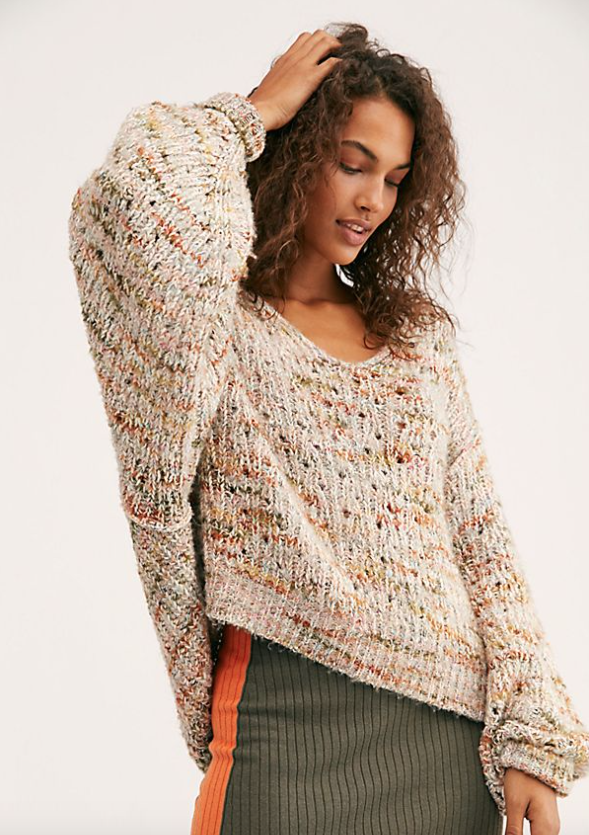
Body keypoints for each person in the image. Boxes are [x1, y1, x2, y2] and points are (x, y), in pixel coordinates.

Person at [68, 22, 589, 835]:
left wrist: (529, 730)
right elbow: (126, 202)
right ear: (297, 152)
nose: (372, 199)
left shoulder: (415, 339)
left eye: (393, 179)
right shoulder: (209, 323)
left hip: (446, 747)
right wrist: (250, 113)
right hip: (277, 727)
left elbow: (479, 537)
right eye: (351, 163)